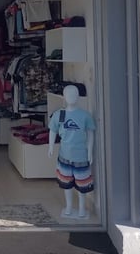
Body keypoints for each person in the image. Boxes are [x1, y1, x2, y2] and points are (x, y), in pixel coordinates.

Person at [48, 84, 95, 218]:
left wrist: (90, 151)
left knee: (82, 184)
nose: (71, 97)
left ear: (78, 96)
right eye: (68, 95)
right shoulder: (59, 114)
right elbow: (53, 130)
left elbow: (90, 134)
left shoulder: (85, 115)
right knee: (66, 183)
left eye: (74, 94)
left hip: (81, 156)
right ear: (64, 97)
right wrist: (51, 146)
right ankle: (68, 206)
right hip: (64, 156)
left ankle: (81, 208)